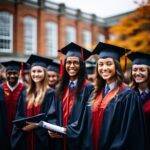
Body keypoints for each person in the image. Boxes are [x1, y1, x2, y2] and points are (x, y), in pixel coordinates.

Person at [89, 42, 147, 150]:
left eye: (108, 63)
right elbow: (87, 123)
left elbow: (128, 133)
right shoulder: (96, 93)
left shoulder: (128, 95)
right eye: (100, 64)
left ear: (116, 66)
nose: (104, 68)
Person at [11, 55, 58, 150]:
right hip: (25, 138)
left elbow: (52, 117)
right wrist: (21, 125)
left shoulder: (51, 93)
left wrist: (35, 125)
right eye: (33, 71)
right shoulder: (25, 93)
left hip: (42, 139)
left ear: (45, 73)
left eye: (39, 71)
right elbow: (19, 115)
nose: (36, 74)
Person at [55, 42, 94, 150]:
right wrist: (52, 128)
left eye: (75, 63)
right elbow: (52, 112)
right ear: (64, 64)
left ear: (81, 65)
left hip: (79, 140)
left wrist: (67, 130)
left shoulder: (89, 88)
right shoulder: (60, 88)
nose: (71, 66)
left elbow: (88, 118)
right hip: (59, 139)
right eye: (69, 62)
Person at [0, 61, 25, 149]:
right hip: (2, 129)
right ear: (5, 73)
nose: (12, 76)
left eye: (15, 73)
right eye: (9, 73)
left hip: (19, 129)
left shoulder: (24, 89)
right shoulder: (1, 88)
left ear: (19, 73)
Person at [127, 51, 150, 147]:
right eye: (135, 69)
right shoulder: (127, 95)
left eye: (142, 70)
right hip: (132, 143)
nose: (137, 73)